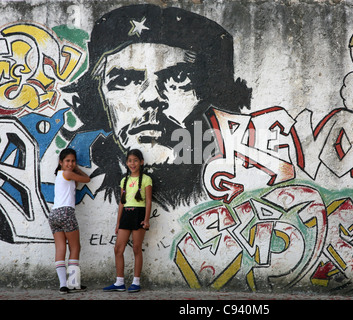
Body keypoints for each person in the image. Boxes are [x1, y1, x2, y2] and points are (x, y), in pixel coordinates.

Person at [62, 4, 252, 209]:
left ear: (210, 96)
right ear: (101, 97)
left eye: (179, 78)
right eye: (124, 79)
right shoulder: (98, 196)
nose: (151, 98)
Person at [103, 149, 152, 293]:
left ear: (141, 162)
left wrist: (146, 219)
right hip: (126, 214)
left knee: (137, 248)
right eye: (130, 160)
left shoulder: (146, 180)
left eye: (136, 160)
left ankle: (136, 282)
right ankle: (119, 282)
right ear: (126, 163)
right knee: (118, 248)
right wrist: (118, 223)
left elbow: (148, 201)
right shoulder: (124, 181)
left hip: (139, 214)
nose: (133, 163)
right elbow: (121, 203)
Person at [49, 148, 91, 294]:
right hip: (66, 213)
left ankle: (63, 285)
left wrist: (73, 168)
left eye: (73, 161)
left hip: (54, 215)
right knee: (75, 247)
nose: (71, 164)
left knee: (61, 248)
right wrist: (77, 168)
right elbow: (87, 179)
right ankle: (73, 283)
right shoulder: (68, 173)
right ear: (60, 162)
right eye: (67, 161)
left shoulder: (61, 175)